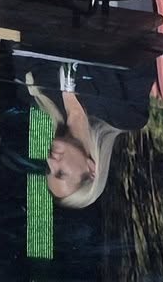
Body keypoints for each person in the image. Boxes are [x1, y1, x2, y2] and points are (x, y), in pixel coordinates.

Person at [23, 57, 151, 209]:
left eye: (48, 169)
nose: (50, 161)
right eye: (61, 173)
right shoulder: (127, 116)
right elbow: (141, 57)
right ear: (91, 169)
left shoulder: (40, 96)